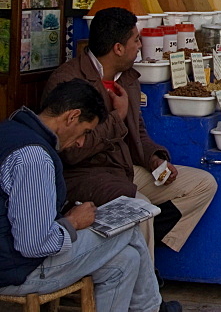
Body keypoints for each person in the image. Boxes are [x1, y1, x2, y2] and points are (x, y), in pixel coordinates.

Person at [44, 7, 217, 262]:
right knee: (140, 208)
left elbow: (139, 131)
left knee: (202, 184)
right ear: (118, 48)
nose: (140, 45)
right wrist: (116, 117)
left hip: (124, 168)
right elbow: (71, 152)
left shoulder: (127, 77)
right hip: (85, 174)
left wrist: (154, 159)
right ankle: (145, 293)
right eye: (136, 39)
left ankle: (138, 252)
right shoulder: (69, 81)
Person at [0, 79, 179, 312]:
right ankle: (152, 309)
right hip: (16, 271)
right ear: (71, 116)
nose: (82, 142)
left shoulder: (10, 129)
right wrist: (72, 222)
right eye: (85, 132)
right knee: (128, 229)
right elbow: (33, 244)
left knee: (125, 261)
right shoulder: (34, 158)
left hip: (11, 258)